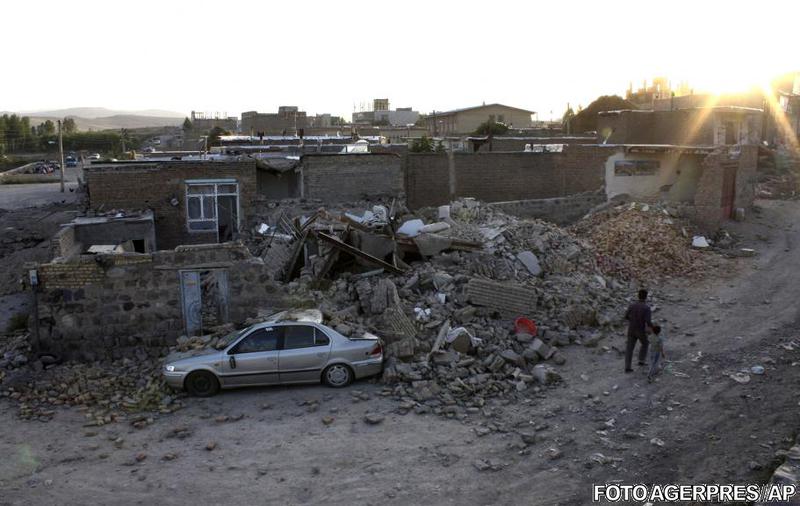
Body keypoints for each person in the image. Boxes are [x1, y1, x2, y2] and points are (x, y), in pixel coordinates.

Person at [624, 289, 652, 373]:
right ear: (646, 297)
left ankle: (627, 367)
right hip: (640, 329)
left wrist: (632, 320)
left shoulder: (632, 305)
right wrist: (653, 328)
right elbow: (648, 321)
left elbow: (626, 316)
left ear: (638, 296)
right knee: (645, 343)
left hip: (631, 329)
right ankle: (641, 360)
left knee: (629, 348)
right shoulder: (646, 308)